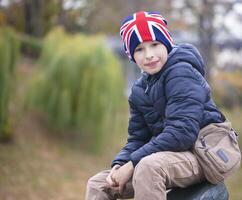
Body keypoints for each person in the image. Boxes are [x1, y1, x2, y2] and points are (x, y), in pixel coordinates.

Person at [85, 11, 226, 200]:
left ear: (166, 44)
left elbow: (182, 132)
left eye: (155, 44)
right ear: (132, 56)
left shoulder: (181, 72)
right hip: (169, 155)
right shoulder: (139, 90)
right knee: (99, 184)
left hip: (205, 152)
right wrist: (121, 163)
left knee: (148, 167)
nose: (149, 55)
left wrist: (133, 164)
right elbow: (138, 138)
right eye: (139, 49)